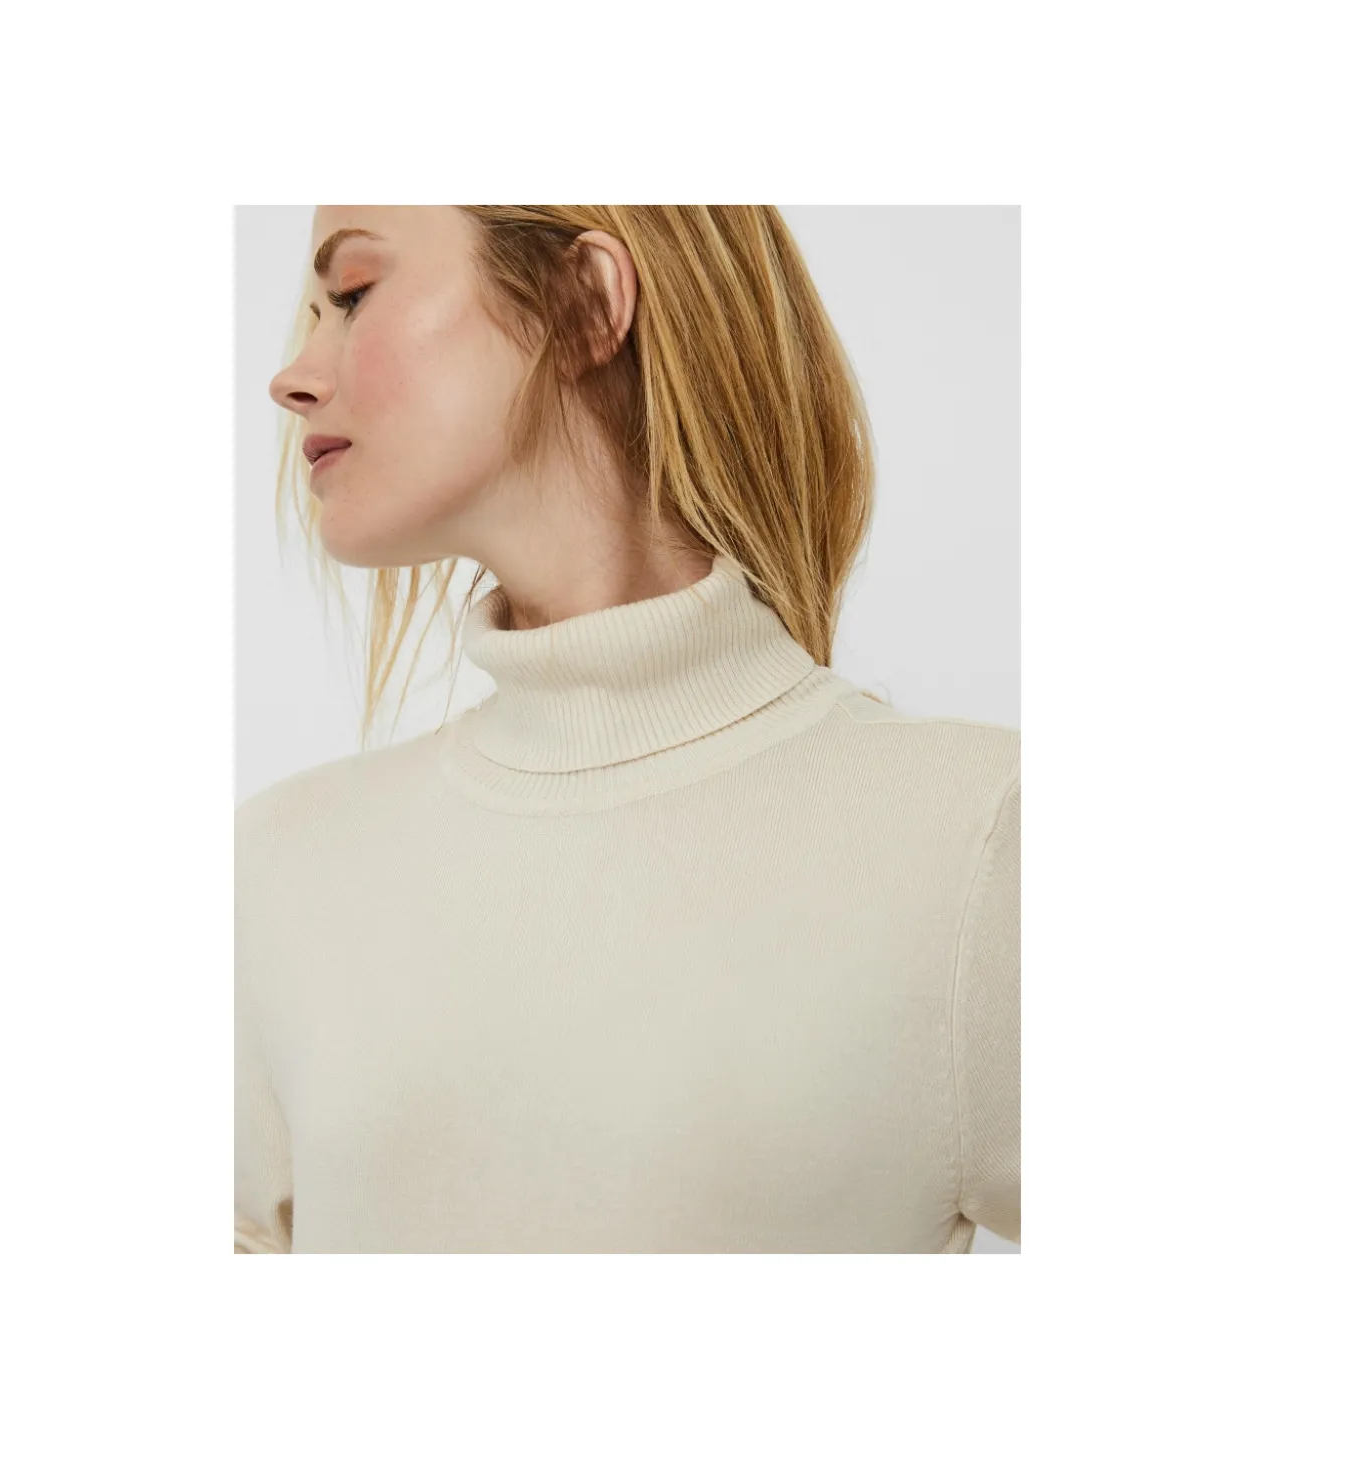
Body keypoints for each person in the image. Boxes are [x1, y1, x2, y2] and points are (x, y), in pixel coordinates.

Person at [235, 205, 1019, 1254]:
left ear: (585, 303)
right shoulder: (281, 869)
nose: (290, 377)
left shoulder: (974, 841)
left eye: (353, 295)